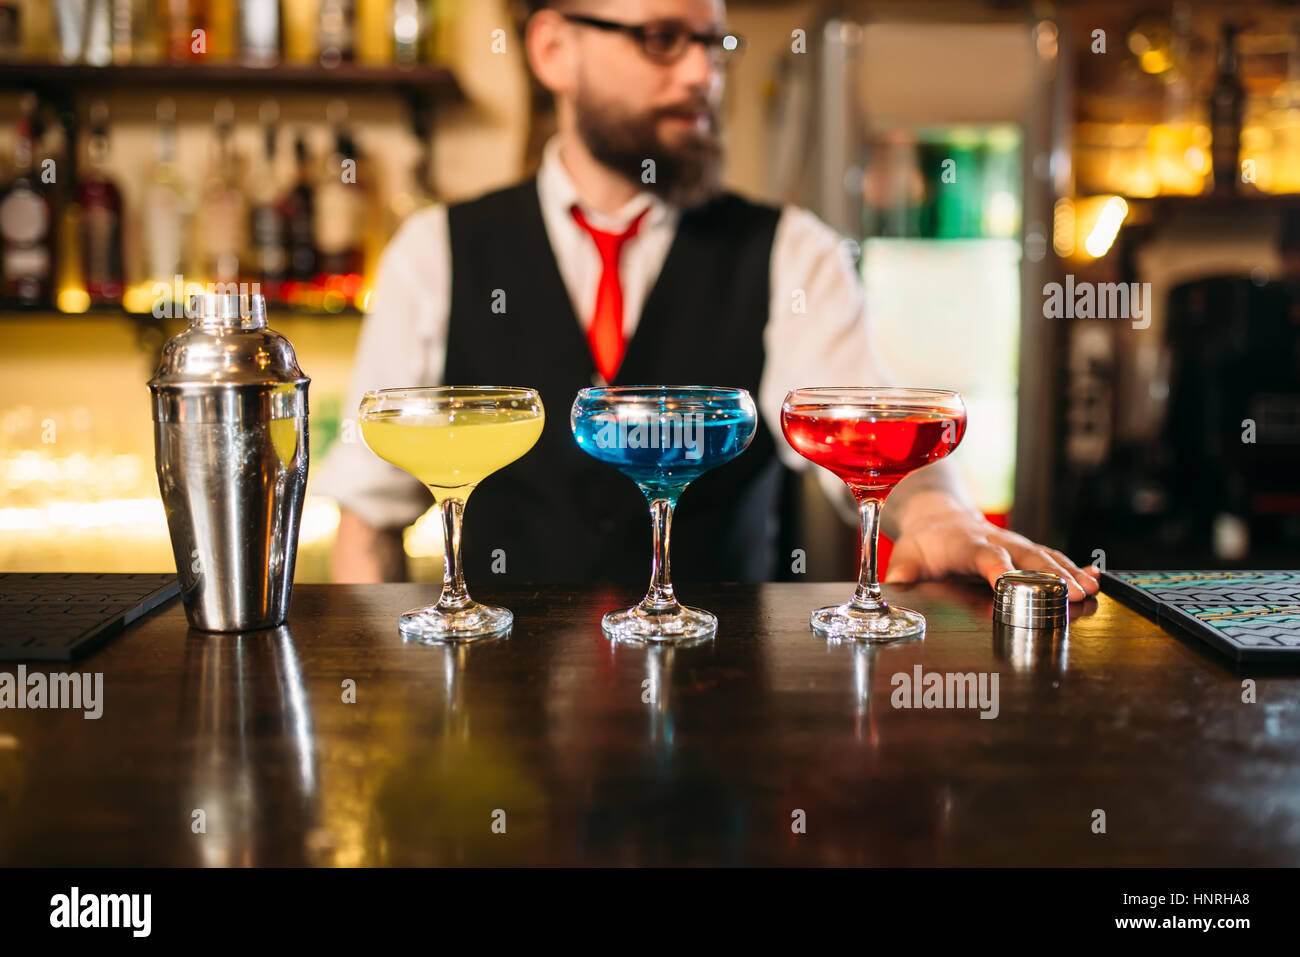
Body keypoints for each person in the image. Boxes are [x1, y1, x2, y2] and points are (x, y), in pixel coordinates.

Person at [318, 0, 1101, 601]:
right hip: (503, 755)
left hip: (726, 732)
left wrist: (938, 514)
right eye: (663, 39)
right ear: (554, 49)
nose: (702, 74)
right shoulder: (437, 252)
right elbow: (368, 523)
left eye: (712, 43)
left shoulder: (794, 251)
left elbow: (864, 429)